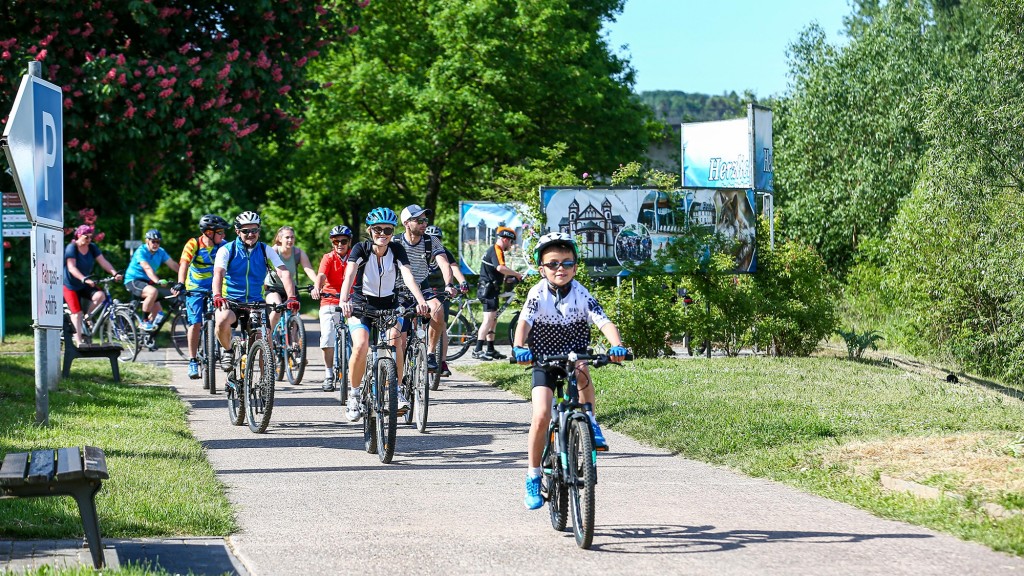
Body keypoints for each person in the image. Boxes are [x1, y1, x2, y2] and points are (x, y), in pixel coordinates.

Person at [511, 232, 628, 510]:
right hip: (543, 359)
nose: (560, 269)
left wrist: (617, 345)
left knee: (582, 368)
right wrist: (519, 347)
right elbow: (524, 324)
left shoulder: (581, 293)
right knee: (540, 415)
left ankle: (590, 421)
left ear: (575, 267)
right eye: (552, 264)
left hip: (575, 355)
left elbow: (604, 322)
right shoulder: (537, 293)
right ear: (542, 268)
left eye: (566, 263)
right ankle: (533, 475)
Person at [337, 207, 429, 422]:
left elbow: (407, 276)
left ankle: (395, 390)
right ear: (370, 230)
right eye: (377, 229)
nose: (382, 234)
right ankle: (354, 394)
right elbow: (349, 275)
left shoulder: (397, 249)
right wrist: (344, 300)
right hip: (361, 305)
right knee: (360, 344)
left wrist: (421, 300)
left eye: (387, 229)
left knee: (395, 341)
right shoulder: (361, 248)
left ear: (392, 231)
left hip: (389, 304)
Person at [211, 211, 300, 372]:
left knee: (265, 339)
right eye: (246, 231)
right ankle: (228, 350)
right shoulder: (227, 250)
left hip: (256, 302)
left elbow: (283, 272)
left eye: (254, 230)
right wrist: (217, 295)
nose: (251, 234)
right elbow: (218, 273)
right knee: (222, 319)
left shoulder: (265, 250)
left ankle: (265, 384)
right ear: (238, 231)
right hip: (231, 301)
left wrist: (292, 296)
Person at [391, 204, 457, 386]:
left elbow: (444, 264)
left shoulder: (431, 241)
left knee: (437, 309)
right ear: (406, 223)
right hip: (399, 289)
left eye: (425, 220)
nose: (423, 224)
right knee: (400, 341)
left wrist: (449, 284)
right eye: (419, 220)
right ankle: (398, 379)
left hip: (422, 285)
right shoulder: (395, 243)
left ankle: (429, 353)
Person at [172, 214, 229, 380]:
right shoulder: (193, 244)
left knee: (225, 318)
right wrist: (180, 283)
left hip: (217, 289)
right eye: (220, 232)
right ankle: (193, 360)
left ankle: (226, 350)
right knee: (195, 323)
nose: (224, 235)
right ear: (209, 233)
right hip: (195, 288)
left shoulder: (224, 246)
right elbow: (184, 264)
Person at [63, 224, 122, 347]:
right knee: (76, 313)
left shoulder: (92, 247)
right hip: (71, 284)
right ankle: (79, 341)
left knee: (100, 295)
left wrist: (114, 273)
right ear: (79, 235)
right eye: (86, 237)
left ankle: (87, 316)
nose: (89, 240)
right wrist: (84, 279)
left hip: (85, 283)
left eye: (91, 237)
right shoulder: (71, 248)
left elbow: (103, 262)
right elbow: (71, 268)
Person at [424, 224, 469, 377]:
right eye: (431, 238)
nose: (434, 240)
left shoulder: (443, 252)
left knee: (442, 325)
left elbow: (453, 268)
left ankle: (442, 361)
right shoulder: (418, 250)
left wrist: (462, 282)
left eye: (437, 238)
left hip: (440, 290)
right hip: (422, 291)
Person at [473, 225, 523, 360]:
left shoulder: (495, 250)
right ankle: (477, 350)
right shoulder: (496, 250)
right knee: (488, 319)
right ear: (506, 239)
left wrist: (510, 278)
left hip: (491, 289)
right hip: (487, 290)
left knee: (493, 320)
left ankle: (490, 349)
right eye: (511, 242)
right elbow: (500, 267)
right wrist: (517, 274)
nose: (511, 246)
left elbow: (498, 271)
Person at [315, 225, 353, 392]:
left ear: (349, 242)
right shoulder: (328, 257)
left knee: (359, 335)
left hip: (351, 300)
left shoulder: (355, 257)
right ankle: (329, 374)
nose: (339, 244)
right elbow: (321, 275)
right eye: (336, 241)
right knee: (328, 337)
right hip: (330, 299)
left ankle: (355, 372)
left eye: (343, 241)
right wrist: (317, 288)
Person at [265, 225, 320, 332]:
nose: (290, 240)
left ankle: (294, 342)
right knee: (277, 310)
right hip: (273, 288)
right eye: (287, 237)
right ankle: (268, 335)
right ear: (280, 239)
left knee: (294, 315)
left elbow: (308, 269)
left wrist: (318, 284)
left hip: (290, 288)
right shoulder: (273, 251)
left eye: (292, 237)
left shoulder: (298, 253)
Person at [124, 229, 180, 331]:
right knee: (153, 292)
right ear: (147, 241)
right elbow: (147, 268)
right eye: (153, 241)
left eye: (158, 242)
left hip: (147, 282)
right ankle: (144, 321)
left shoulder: (161, 252)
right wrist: (157, 280)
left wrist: (185, 275)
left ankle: (146, 336)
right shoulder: (141, 251)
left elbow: (173, 264)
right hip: (133, 280)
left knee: (158, 312)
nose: (156, 244)